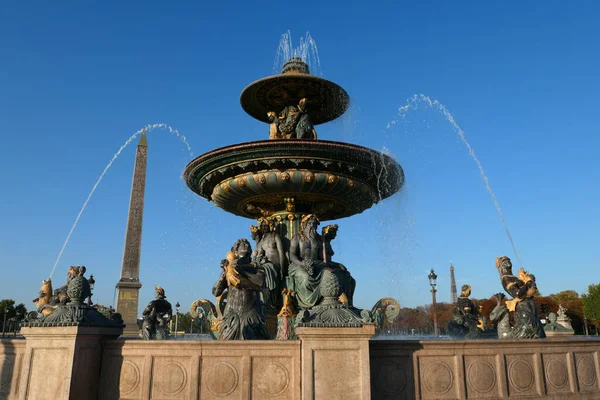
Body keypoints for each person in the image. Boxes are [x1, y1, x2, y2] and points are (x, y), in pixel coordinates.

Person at [286, 214, 355, 310]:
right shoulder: (297, 238)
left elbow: (324, 259)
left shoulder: (319, 240)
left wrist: (336, 265)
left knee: (331, 273)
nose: (312, 226)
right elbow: (292, 255)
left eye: (315, 224)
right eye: (310, 224)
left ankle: (330, 302)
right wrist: (302, 264)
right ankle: (306, 306)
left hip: (317, 264)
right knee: (306, 278)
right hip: (298, 265)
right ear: (304, 225)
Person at [212, 239, 270, 340]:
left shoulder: (257, 268)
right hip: (232, 315)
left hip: (251, 314)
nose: (245, 245)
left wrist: (242, 271)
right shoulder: (230, 271)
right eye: (242, 245)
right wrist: (224, 273)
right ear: (235, 252)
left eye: (247, 245)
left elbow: (260, 281)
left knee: (254, 342)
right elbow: (216, 292)